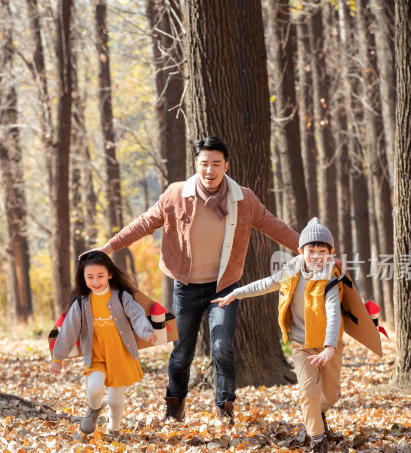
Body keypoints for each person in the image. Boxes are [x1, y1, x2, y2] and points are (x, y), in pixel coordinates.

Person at [85, 136, 299, 424]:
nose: (209, 170)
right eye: (204, 164)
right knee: (181, 350)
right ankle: (175, 404)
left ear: (226, 166)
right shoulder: (176, 194)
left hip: (224, 287)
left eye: (216, 164)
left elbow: (275, 226)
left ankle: (225, 406)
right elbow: (144, 223)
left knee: (222, 345)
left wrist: (309, 250)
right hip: (186, 287)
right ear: (196, 165)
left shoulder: (243, 199)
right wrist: (108, 248)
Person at [213, 218, 343, 453]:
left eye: (321, 252)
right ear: (300, 252)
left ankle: (319, 414)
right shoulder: (291, 272)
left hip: (329, 345)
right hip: (301, 344)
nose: (315, 257)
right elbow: (265, 284)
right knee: (307, 392)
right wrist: (235, 294)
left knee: (331, 393)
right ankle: (316, 438)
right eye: (310, 251)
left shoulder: (331, 279)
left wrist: (330, 347)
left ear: (331, 253)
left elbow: (334, 315)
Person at [50, 251, 157, 435]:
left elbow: (137, 315)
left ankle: (114, 429)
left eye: (100, 276)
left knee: (115, 400)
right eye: (90, 277)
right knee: (94, 388)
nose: (96, 281)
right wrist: (57, 358)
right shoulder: (82, 303)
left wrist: (146, 332)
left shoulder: (121, 296)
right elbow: (69, 330)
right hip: (96, 355)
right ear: (83, 279)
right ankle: (94, 409)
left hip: (121, 355)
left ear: (110, 274)